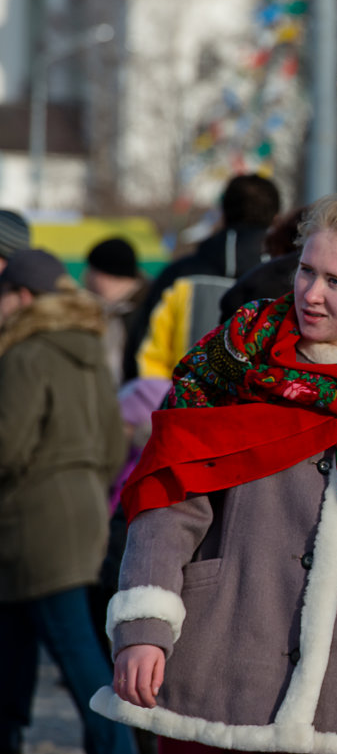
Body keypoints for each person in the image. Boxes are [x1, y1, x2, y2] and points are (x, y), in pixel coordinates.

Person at [89, 193, 337, 754]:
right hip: (222, 676)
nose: (310, 294)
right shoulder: (233, 360)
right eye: (306, 270)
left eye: (336, 282)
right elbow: (171, 501)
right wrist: (143, 628)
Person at [0, 249, 133, 754]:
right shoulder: (88, 348)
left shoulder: (25, 354)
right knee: (16, 651)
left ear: (24, 297)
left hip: (32, 522)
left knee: (77, 656)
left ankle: (116, 747)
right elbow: (111, 446)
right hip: (81, 514)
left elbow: (7, 446)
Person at [126, 173, 281, 379]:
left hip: (185, 404)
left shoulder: (178, 275)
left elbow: (144, 356)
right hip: (262, 407)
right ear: (276, 218)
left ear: (222, 214)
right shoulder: (292, 279)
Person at [84, 237, 152, 385]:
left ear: (105, 275)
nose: (86, 278)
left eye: (91, 270)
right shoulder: (107, 310)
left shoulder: (147, 311)